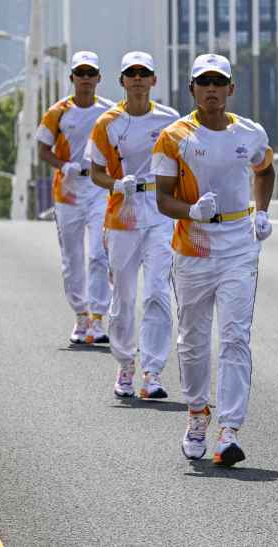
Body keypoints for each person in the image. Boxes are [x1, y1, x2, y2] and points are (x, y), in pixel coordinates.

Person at [152, 53, 275, 467]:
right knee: (192, 339)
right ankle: (197, 413)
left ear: (229, 89)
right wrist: (191, 212)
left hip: (239, 245)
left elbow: (266, 168)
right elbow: (163, 197)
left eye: (218, 82)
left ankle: (229, 430)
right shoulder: (174, 136)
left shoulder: (250, 132)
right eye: (203, 82)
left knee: (236, 335)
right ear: (192, 90)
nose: (211, 89)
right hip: (193, 247)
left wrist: (261, 211)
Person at [86, 52, 180, 400]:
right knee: (124, 297)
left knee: (157, 292)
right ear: (122, 81)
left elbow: (183, 165)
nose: (138, 79)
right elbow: (95, 170)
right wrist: (114, 184)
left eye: (144, 73)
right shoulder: (107, 124)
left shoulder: (171, 120)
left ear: (154, 80)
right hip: (123, 213)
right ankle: (126, 363)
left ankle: (152, 371)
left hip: (158, 210)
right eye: (131, 74)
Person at [36, 51, 115, 345]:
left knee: (98, 252)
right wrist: (62, 165)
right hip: (67, 190)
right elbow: (42, 148)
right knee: (72, 258)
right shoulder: (57, 111)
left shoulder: (108, 112)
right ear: (72, 78)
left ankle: (97, 317)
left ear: (98, 78)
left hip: (97, 187)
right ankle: (80, 316)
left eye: (89, 73)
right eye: (79, 73)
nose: (84, 79)